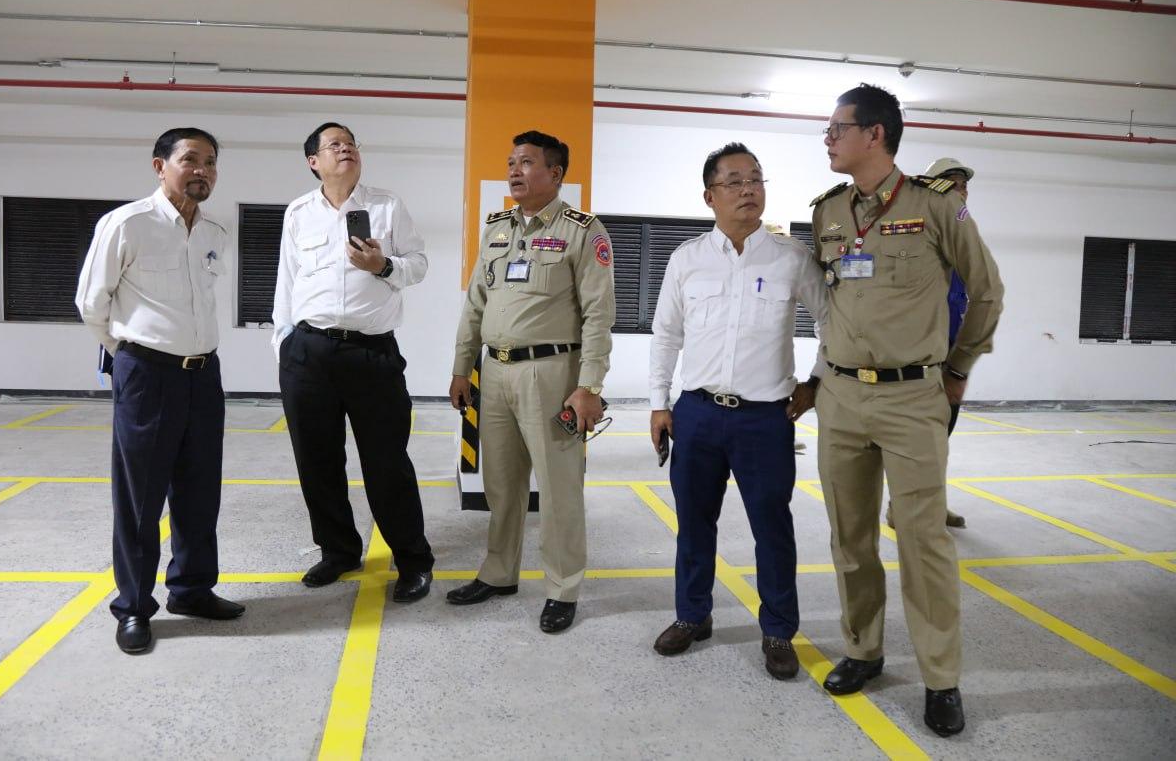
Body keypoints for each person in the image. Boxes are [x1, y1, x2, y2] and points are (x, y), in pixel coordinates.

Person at [811, 84, 1003, 737]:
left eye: (837, 127)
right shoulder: (828, 211)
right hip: (841, 396)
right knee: (850, 536)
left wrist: (957, 368)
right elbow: (830, 301)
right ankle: (863, 649)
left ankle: (941, 678)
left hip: (912, 397)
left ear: (875, 134)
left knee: (923, 542)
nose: (828, 138)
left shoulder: (936, 205)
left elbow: (986, 290)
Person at [648, 143, 828, 679]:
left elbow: (832, 321)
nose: (748, 190)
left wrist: (816, 382)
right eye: (734, 181)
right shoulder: (687, 259)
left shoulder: (791, 257)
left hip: (765, 419)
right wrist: (659, 404)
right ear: (710, 196)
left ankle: (778, 629)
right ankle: (692, 615)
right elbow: (666, 334)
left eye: (755, 179)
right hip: (698, 414)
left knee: (772, 527)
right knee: (693, 523)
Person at [76, 127, 245, 655]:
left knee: (200, 489)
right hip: (148, 374)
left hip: (204, 374)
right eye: (190, 159)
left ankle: (192, 590)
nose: (202, 171)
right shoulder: (126, 224)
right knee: (140, 497)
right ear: (160, 166)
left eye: (210, 162)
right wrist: (131, 354)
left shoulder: (215, 231)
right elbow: (91, 303)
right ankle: (133, 607)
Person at [447, 130, 615, 633]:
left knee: (559, 489)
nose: (513, 171)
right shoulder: (497, 227)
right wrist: (462, 367)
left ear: (555, 173)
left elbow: (599, 315)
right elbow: (475, 303)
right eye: (510, 162)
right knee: (501, 484)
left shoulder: (583, 231)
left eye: (525, 162)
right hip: (495, 371)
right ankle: (499, 573)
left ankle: (563, 587)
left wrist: (589, 386)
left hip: (552, 373)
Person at [272, 122, 434, 603]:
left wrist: (382, 266)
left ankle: (413, 561)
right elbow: (286, 281)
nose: (346, 150)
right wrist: (284, 345)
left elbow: (419, 264)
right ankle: (339, 550)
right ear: (313, 161)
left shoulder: (386, 206)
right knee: (317, 461)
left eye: (350, 144)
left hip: (371, 354)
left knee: (387, 464)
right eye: (334, 145)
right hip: (308, 352)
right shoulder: (298, 212)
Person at [886, 156, 974, 531]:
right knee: (911, 440)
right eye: (952, 184)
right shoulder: (914, 233)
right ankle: (899, 507)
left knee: (941, 437)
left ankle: (934, 505)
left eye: (964, 186)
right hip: (917, 358)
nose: (961, 191)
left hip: (950, 357)